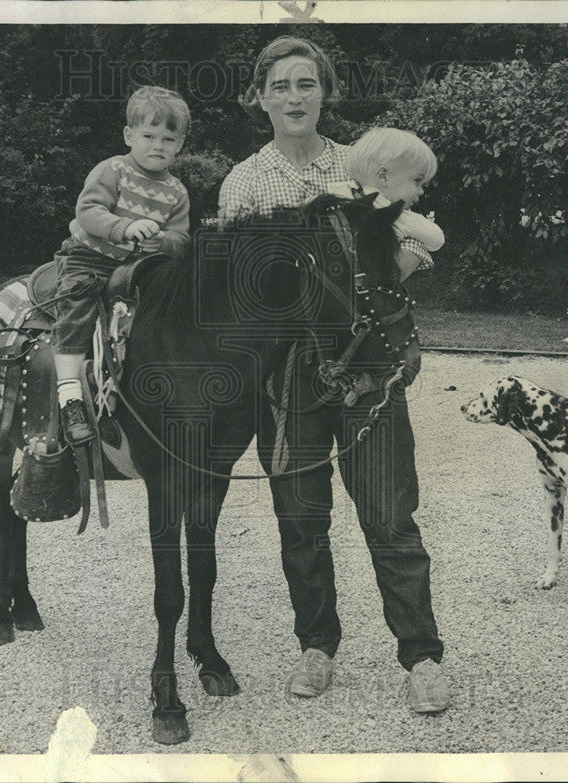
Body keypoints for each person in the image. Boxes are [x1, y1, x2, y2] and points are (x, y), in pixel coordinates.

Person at [218, 35, 451, 713]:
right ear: (259, 96)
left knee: (389, 517)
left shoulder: (361, 163)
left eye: (307, 84)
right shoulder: (243, 183)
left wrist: (385, 279)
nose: (295, 96)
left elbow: (420, 234)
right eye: (281, 85)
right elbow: (234, 291)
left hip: (368, 373)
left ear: (325, 93)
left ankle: (423, 657)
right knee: (302, 519)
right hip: (286, 380)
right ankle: (316, 646)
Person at [52, 86, 191, 443]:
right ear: (129, 135)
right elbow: (89, 211)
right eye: (148, 135)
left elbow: (181, 238)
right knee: (78, 307)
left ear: (180, 144)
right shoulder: (113, 169)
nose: (157, 145)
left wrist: (163, 242)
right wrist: (124, 227)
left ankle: (143, 392)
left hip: (137, 269)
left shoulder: (177, 191)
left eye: (168, 138)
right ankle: (70, 397)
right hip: (90, 258)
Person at [327, 127, 444, 281]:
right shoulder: (395, 214)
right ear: (383, 176)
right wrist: (416, 224)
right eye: (417, 181)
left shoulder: (337, 193)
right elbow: (437, 239)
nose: (421, 191)